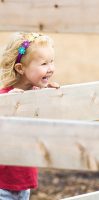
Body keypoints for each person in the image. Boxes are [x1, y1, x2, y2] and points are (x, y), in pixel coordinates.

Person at [0, 32, 59, 200]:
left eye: (52, 61)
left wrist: (49, 98)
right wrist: (10, 106)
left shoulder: (37, 95)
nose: (51, 68)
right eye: (44, 64)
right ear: (20, 68)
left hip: (23, 184)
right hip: (2, 185)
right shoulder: (5, 97)